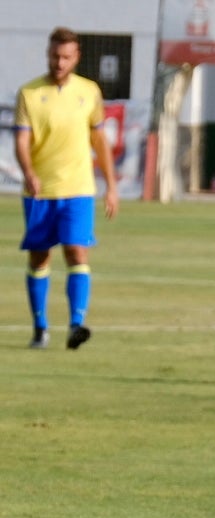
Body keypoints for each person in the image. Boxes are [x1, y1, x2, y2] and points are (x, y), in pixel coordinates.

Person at [15, 26, 118, 350]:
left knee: (77, 250)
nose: (59, 63)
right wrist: (29, 172)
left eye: (66, 57)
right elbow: (21, 140)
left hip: (78, 189)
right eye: (55, 56)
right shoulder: (29, 93)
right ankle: (40, 327)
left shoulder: (89, 92)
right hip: (41, 192)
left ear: (76, 58)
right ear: (48, 54)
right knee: (39, 258)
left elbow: (99, 141)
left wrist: (111, 186)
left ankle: (76, 324)